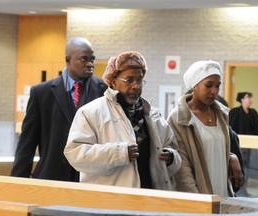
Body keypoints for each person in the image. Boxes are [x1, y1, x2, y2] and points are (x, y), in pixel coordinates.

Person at [64, 51, 182, 190]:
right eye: (129, 80)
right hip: (111, 200)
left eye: (139, 80)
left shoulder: (153, 115)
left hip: (152, 199)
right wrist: (119, 153)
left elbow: (174, 149)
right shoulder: (91, 113)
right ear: (113, 82)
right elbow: (75, 154)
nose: (136, 86)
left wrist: (171, 158)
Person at [11, 37, 107, 181]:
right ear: (68, 60)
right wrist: (17, 182)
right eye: (84, 59)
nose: (90, 64)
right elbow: (27, 143)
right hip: (51, 176)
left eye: (92, 59)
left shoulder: (104, 91)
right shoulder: (41, 93)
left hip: (91, 179)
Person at [167, 60, 244, 197]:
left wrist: (232, 157)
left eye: (217, 86)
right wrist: (197, 202)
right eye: (208, 85)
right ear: (194, 85)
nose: (214, 91)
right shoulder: (179, 118)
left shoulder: (221, 114)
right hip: (198, 197)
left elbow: (216, 148)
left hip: (222, 192)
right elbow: (182, 169)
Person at [229, 92, 258, 196]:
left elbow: (257, 128)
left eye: (251, 97)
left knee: (248, 169)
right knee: (239, 167)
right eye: (248, 97)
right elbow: (230, 129)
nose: (251, 99)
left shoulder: (253, 112)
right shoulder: (235, 112)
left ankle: (244, 190)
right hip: (238, 146)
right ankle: (237, 191)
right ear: (242, 99)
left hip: (250, 147)